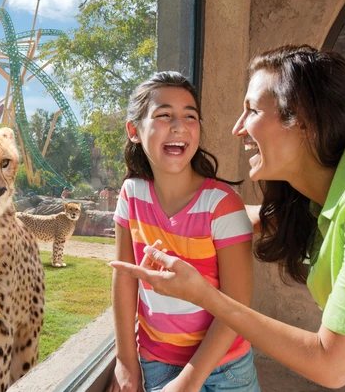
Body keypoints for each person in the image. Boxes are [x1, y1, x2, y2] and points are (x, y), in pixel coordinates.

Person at [110, 45, 345, 391]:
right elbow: (241, 218)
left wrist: (204, 295)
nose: (238, 128)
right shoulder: (328, 196)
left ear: (303, 121)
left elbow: (332, 366)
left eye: (252, 110)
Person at [107, 71, 260, 392]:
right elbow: (125, 277)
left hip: (227, 367)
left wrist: (188, 382)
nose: (179, 126)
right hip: (157, 363)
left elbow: (237, 305)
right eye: (164, 115)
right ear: (134, 131)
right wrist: (126, 359)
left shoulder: (223, 204)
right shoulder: (131, 195)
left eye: (190, 116)